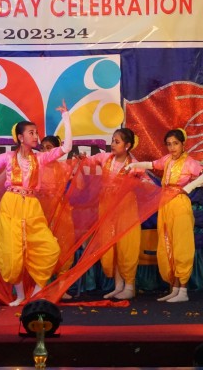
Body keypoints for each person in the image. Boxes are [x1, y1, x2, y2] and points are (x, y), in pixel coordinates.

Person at [0, 100, 72, 306]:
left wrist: (66, 117)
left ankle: (38, 291)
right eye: (31, 133)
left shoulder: (40, 158)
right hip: (11, 204)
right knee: (12, 252)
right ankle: (21, 296)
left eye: (36, 132)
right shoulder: (8, 158)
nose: (36, 136)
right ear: (20, 137)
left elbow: (67, 147)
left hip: (32, 206)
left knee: (49, 248)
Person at [126, 128, 203, 302]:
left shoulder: (189, 162)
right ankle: (175, 287)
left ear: (183, 144)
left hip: (179, 204)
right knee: (168, 244)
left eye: (175, 144)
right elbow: (151, 165)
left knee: (181, 245)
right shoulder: (167, 160)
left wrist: (189, 187)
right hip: (165, 204)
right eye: (169, 144)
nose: (172, 147)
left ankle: (183, 291)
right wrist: (133, 165)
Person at [82, 128, 150, 300]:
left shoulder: (134, 165)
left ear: (127, 145)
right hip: (107, 208)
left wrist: (139, 182)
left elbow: (147, 184)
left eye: (117, 142)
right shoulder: (106, 158)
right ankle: (118, 286)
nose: (112, 144)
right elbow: (89, 161)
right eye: (112, 140)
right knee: (111, 246)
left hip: (126, 209)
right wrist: (82, 158)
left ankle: (129, 286)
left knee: (126, 246)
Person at [37, 135, 81, 300]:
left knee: (64, 246)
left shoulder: (64, 167)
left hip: (61, 211)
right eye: (42, 148)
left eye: (49, 148)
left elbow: (80, 185)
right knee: (42, 247)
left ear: (57, 150)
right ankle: (42, 287)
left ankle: (61, 287)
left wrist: (78, 167)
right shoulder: (36, 166)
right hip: (41, 210)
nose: (45, 151)